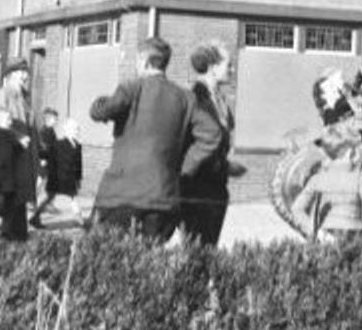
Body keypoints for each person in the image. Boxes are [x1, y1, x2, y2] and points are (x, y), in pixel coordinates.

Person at [89, 36, 222, 242]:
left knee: (104, 258)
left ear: (145, 62)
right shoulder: (186, 98)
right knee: (149, 263)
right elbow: (213, 135)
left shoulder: (131, 88)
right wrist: (183, 168)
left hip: (121, 196)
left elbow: (100, 112)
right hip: (164, 196)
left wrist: (99, 102)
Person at [180, 43, 235, 246]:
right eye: (228, 65)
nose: (232, 70)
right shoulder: (194, 97)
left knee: (209, 247)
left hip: (217, 187)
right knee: (195, 249)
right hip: (197, 187)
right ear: (213, 67)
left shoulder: (220, 99)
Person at [289, 130, 362, 244]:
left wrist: (315, 232)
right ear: (350, 153)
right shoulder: (361, 177)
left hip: (327, 234)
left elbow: (296, 208)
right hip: (356, 233)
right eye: (357, 149)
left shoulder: (318, 178)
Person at [0, 57, 34, 239]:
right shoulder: (3, 94)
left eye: (26, 72)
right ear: (10, 75)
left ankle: (16, 241)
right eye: (21, 72)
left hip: (22, 161)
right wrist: (17, 137)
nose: (25, 76)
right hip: (10, 161)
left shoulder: (24, 97)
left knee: (18, 207)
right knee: (11, 207)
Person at [30, 117, 84, 227]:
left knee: (72, 197)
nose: (77, 131)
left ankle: (79, 219)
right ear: (67, 130)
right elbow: (47, 154)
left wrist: (78, 178)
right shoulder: (58, 144)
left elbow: (79, 164)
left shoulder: (78, 146)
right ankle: (35, 217)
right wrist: (40, 157)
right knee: (50, 198)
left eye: (78, 129)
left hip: (69, 178)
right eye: (74, 129)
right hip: (57, 178)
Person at [312, 59, 362, 126]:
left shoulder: (341, 104)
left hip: (341, 117)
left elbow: (355, 94)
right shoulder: (332, 111)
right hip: (341, 121)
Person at [34, 107, 59, 209]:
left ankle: (49, 203)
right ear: (48, 119)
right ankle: (32, 200)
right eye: (55, 119)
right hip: (45, 161)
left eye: (56, 119)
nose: (57, 121)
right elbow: (42, 146)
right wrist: (43, 159)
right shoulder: (44, 131)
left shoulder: (51, 131)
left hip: (50, 160)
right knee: (40, 181)